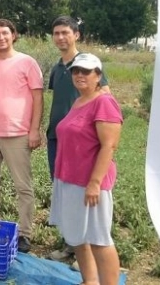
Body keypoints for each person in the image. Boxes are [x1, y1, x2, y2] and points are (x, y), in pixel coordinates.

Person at [49, 53, 122, 285]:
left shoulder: (104, 102)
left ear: (98, 76)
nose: (80, 75)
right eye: (76, 71)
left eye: (86, 71)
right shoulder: (80, 100)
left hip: (89, 183)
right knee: (78, 236)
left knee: (99, 238)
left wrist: (95, 183)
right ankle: (89, 281)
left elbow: (109, 146)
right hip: (69, 179)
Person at [47, 15, 110, 261]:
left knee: (83, 192)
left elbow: (105, 99)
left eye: (66, 32)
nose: (61, 37)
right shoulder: (57, 68)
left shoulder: (87, 65)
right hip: (57, 137)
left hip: (81, 142)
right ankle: (71, 244)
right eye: (56, 33)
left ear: (76, 35)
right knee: (64, 192)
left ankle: (88, 247)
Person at [0, 19, 43, 253]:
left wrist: (34, 129)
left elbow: (38, 98)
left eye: (5, 33)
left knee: (23, 186)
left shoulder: (27, 62)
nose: (1, 37)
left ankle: (25, 233)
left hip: (17, 134)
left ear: (13, 35)